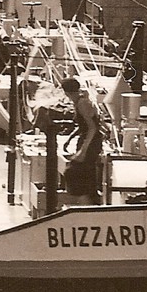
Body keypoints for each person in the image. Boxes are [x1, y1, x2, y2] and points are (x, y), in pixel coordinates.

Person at [60, 77, 103, 205]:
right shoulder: (79, 101)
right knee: (86, 173)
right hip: (87, 139)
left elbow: (92, 127)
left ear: (66, 92)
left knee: (72, 172)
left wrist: (83, 151)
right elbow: (83, 125)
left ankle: (86, 203)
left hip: (91, 142)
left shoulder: (82, 103)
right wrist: (70, 138)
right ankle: (90, 202)